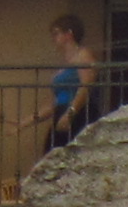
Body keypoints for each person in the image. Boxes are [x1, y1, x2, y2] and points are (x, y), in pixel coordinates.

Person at [39, 14, 99, 151]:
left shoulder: (83, 55)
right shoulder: (67, 63)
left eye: (56, 34)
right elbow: (57, 102)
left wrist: (70, 113)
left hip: (78, 113)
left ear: (69, 34)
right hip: (63, 113)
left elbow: (86, 86)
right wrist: (25, 122)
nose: (54, 39)